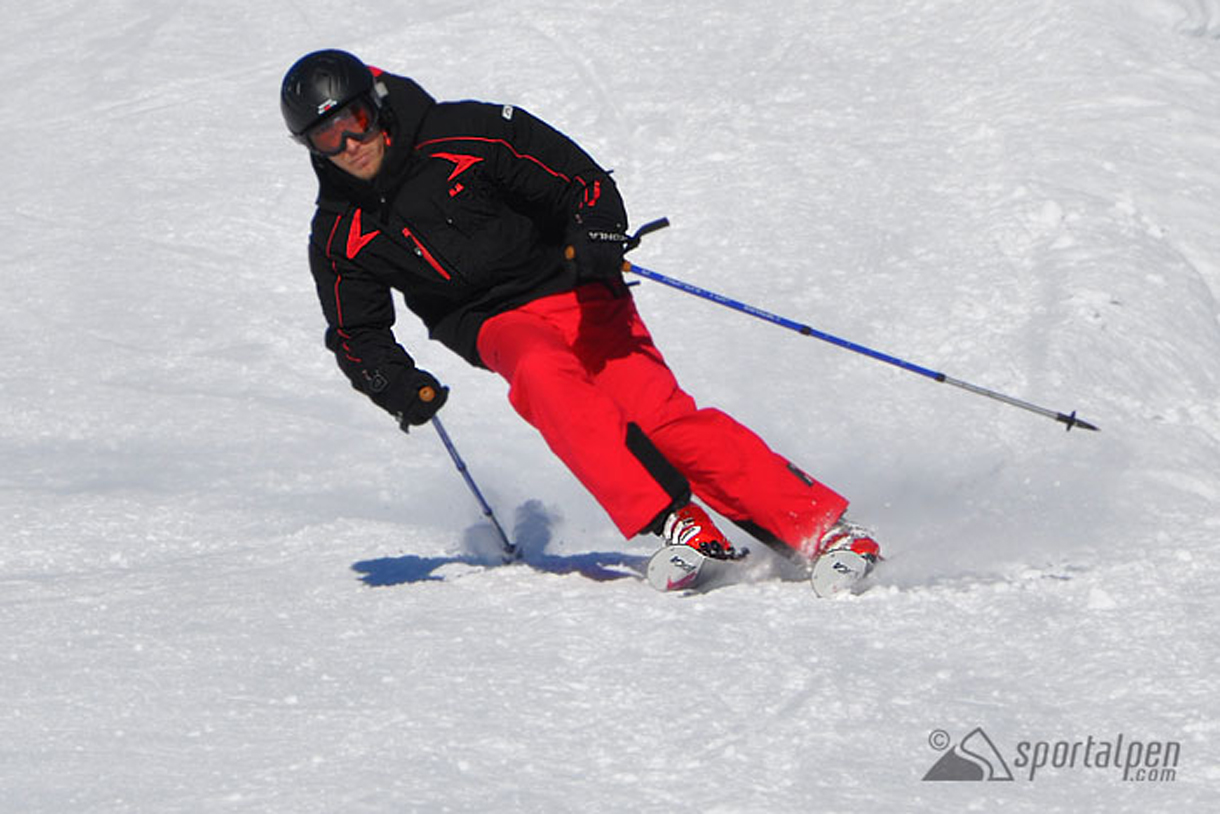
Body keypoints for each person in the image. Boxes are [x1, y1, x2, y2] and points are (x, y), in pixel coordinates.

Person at [279, 49, 879, 571]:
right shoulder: (341, 233)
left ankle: (819, 529)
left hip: (575, 287)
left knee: (661, 419)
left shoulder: (465, 133)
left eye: (354, 122)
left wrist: (595, 234)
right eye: (326, 138)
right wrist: (397, 385)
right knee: (540, 371)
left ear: (374, 105)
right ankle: (678, 526)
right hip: (493, 323)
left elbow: (578, 179)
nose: (350, 145)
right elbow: (356, 332)